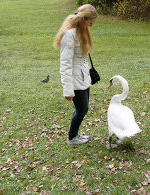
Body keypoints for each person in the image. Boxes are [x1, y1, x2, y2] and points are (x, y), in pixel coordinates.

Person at [54, 4, 98, 145]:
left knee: (83, 109)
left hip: (84, 77)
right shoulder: (70, 35)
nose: (91, 26)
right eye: (90, 23)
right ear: (83, 19)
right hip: (74, 79)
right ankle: (72, 138)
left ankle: (75, 135)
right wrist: (67, 89)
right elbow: (65, 64)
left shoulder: (81, 31)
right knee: (82, 109)